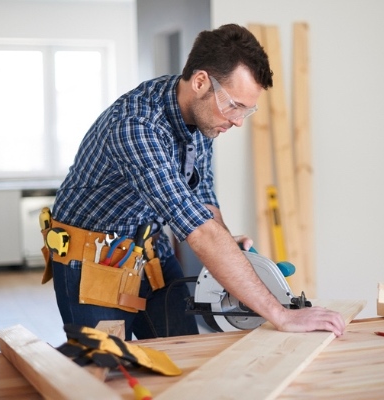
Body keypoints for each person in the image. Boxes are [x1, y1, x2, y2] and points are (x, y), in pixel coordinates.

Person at [45, 24, 345, 340]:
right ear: (201, 81)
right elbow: (198, 231)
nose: (238, 121)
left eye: (248, 110)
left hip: (148, 250)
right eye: (234, 105)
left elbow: (203, 202)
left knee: (184, 354)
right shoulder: (135, 126)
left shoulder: (202, 120)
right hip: (93, 262)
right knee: (104, 371)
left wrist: (233, 251)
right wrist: (281, 315)